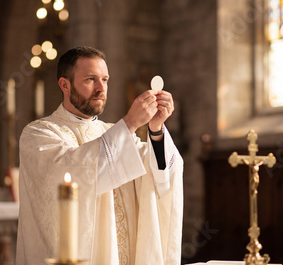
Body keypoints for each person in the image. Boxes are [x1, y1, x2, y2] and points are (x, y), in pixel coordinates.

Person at [16, 46, 184, 265]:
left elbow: (159, 174)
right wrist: (131, 123)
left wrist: (156, 129)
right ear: (65, 85)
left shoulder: (113, 132)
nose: (101, 88)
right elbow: (72, 173)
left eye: (105, 80)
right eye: (90, 79)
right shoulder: (39, 134)